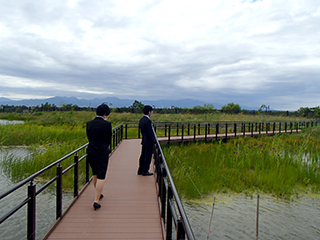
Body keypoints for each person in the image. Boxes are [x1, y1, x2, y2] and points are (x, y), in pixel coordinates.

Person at [86, 104, 112, 210]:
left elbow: (89, 137)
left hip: (91, 151)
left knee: (95, 173)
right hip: (102, 152)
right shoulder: (107, 125)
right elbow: (108, 139)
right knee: (101, 175)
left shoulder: (89, 124)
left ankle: (98, 193)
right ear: (105, 114)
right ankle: (96, 200)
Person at [137, 105, 155, 176]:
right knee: (148, 156)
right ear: (149, 112)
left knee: (143, 155)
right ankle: (145, 170)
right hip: (148, 141)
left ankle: (140, 169)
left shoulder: (141, 120)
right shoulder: (148, 121)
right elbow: (150, 133)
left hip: (144, 140)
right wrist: (153, 141)